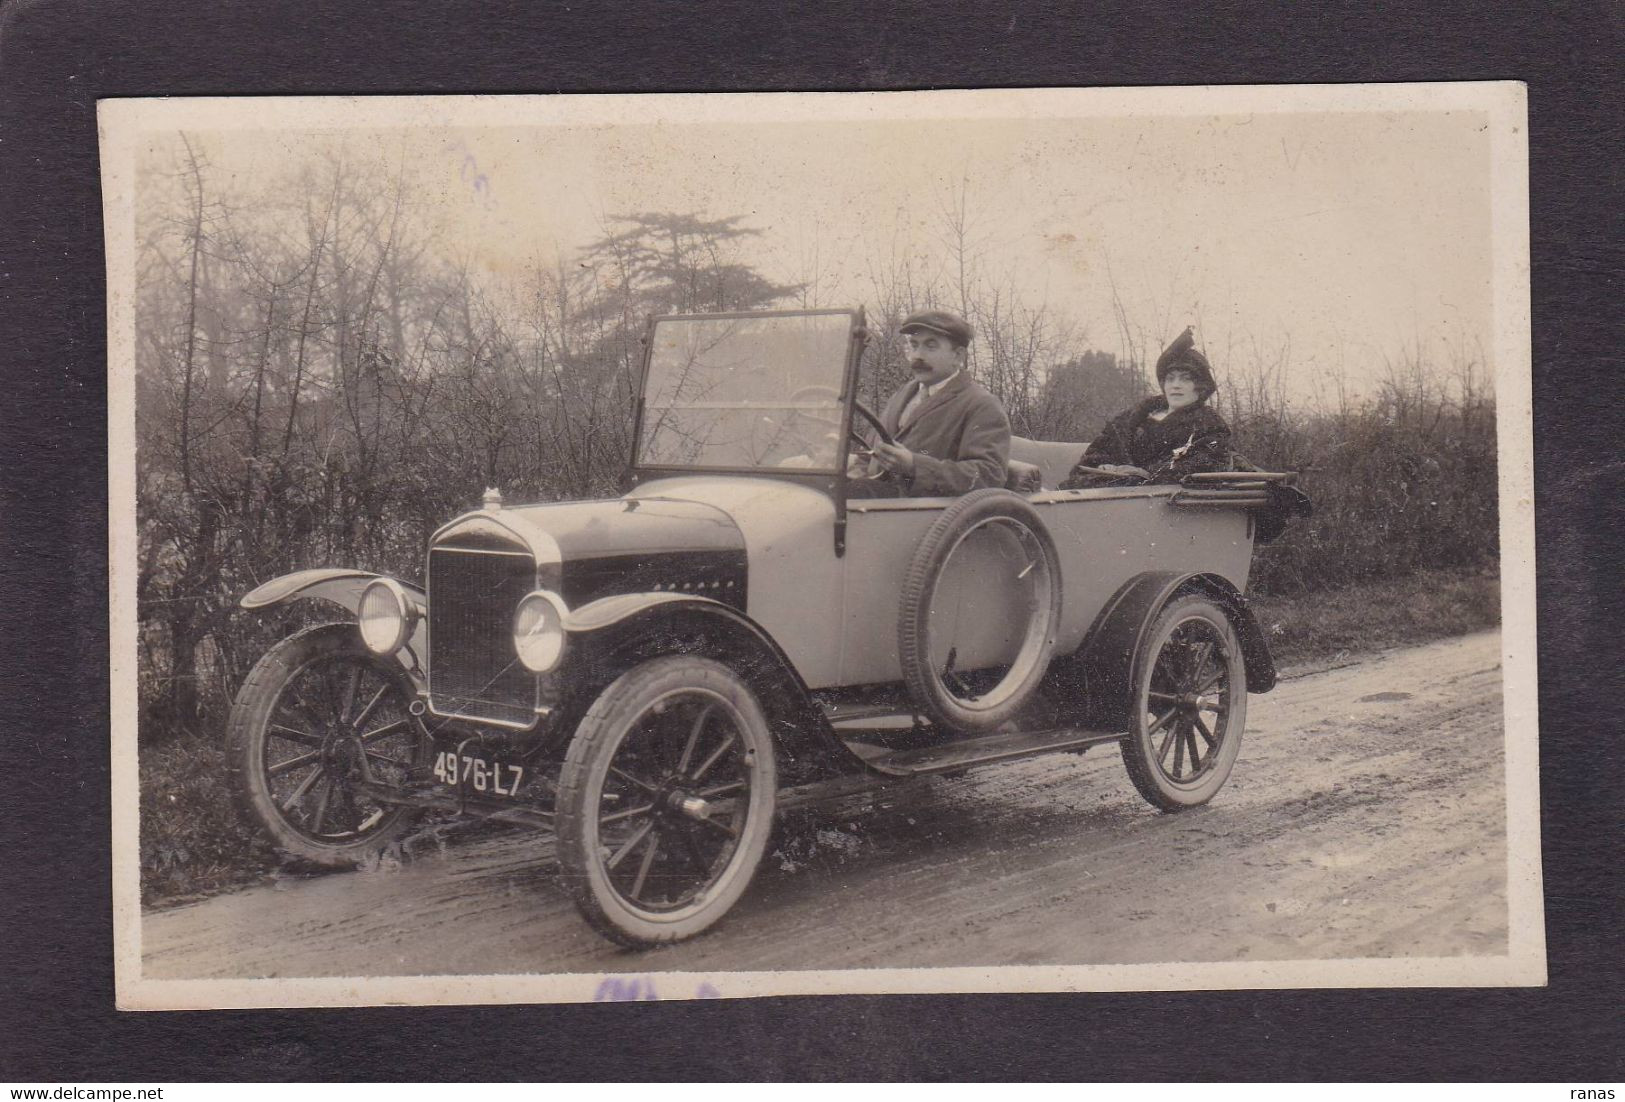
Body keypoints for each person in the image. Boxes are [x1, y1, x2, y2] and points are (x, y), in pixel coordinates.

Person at [853, 309, 1011, 497]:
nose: (917, 356)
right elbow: (872, 450)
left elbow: (988, 475)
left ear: (958, 356)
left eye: (930, 346)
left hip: (923, 514)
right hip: (879, 502)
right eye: (914, 345)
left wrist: (914, 465)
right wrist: (849, 464)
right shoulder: (903, 394)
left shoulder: (981, 404)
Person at [1060, 327, 1231, 488]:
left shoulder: (1209, 426)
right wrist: (1106, 467)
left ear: (1200, 387)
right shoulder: (1128, 420)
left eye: (1185, 379)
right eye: (1170, 379)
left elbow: (1200, 466)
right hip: (1107, 494)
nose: (1175, 386)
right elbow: (1092, 457)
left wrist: (1145, 474)